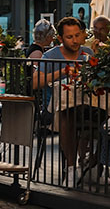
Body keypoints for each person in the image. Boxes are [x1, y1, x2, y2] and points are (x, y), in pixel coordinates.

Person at [33, 17, 94, 184]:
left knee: (105, 117)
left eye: (77, 35)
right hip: (52, 110)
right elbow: (35, 82)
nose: (74, 40)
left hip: (86, 105)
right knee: (68, 115)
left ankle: (94, 166)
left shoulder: (87, 54)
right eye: (69, 37)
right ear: (60, 38)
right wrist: (63, 71)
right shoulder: (50, 55)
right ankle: (71, 168)